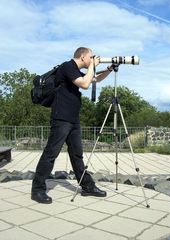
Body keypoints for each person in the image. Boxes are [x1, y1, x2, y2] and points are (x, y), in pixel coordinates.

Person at [31, 47, 113, 204]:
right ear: (82, 56)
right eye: (91, 57)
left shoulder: (74, 70)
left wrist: (109, 69)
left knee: (77, 155)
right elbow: (85, 84)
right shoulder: (67, 66)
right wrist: (91, 67)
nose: (93, 59)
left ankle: (87, 186)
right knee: (51, 154)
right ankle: (37, 190)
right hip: (61, 119)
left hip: (73, 120)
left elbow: (95, 79)